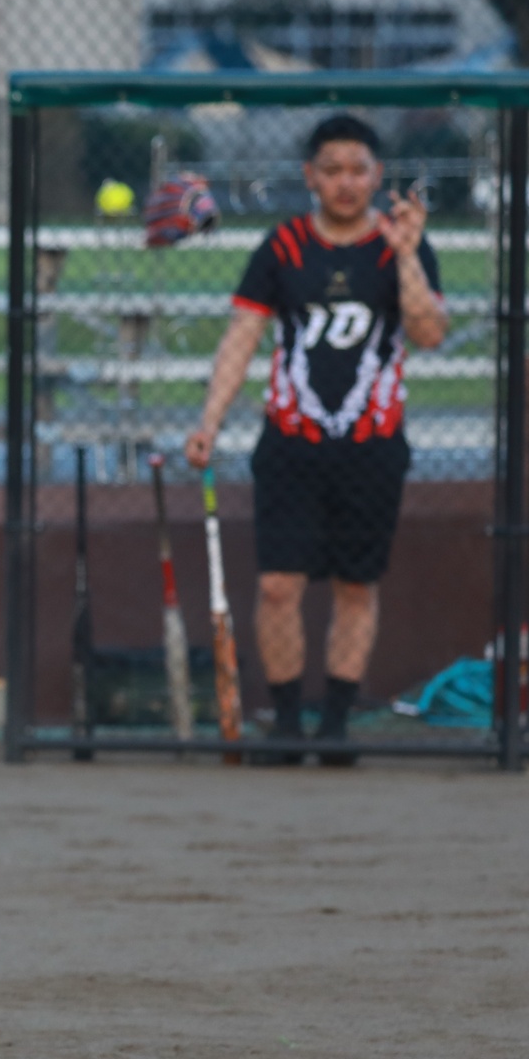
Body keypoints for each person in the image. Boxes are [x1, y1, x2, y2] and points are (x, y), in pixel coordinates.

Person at [185, 114, 447, 765]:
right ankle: (285, 722)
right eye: (330, 170)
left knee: (356, 586)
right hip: (290, 445)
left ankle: (333, 721)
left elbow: (428, 332)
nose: (344, 183)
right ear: (309, 176)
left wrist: (409, 255)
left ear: (376, 176)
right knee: (278, 584)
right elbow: (241, 337)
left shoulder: (401, 245)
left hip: (372, 446)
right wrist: (208, 421)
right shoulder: (281, 249)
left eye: (357, 170)